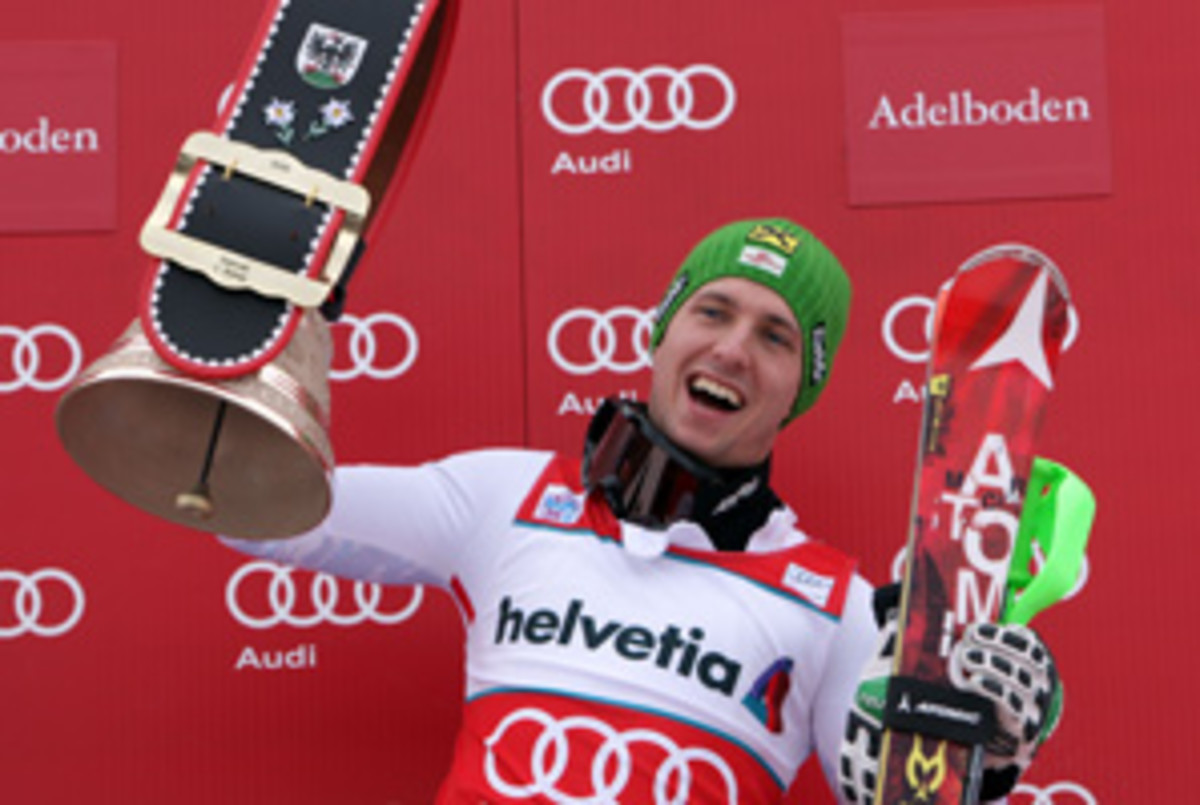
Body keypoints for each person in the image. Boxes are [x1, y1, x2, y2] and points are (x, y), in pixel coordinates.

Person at [223, 218, 1059, 803]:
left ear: (800, 392)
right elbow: (252, 505)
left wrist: (980, 740)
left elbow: (898, 789)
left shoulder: (833, 604)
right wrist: (260, 324)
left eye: (776, 337)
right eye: (713, 310)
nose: (732, 348)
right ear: (660, 331)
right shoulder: (503, 499)